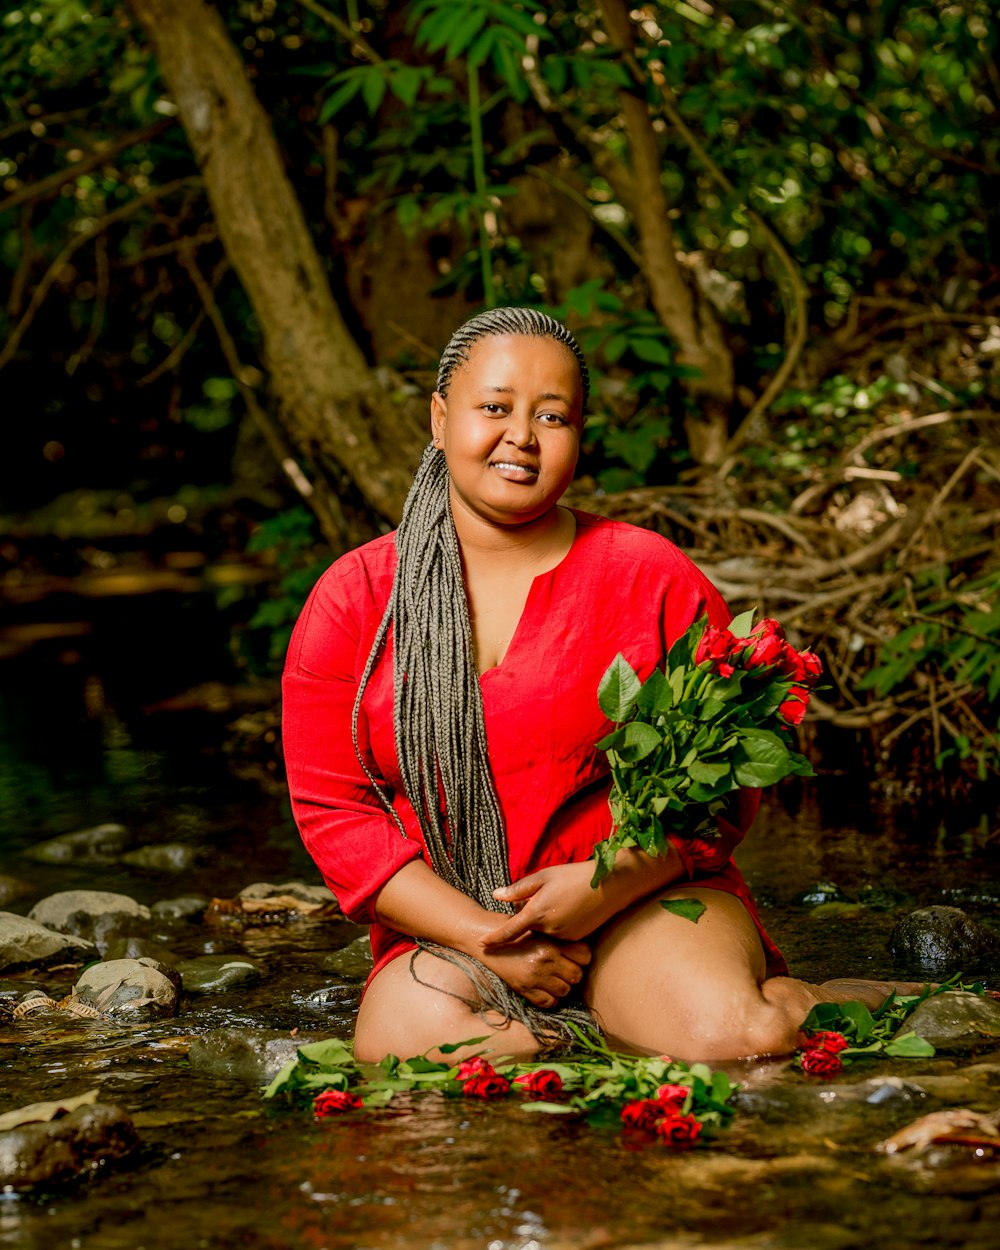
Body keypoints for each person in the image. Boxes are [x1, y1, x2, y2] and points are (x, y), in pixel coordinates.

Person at [282, 306, 922, 1064]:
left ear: (578, 437)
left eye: (552, 416)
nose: (521, 435)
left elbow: (730, 778)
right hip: (457, 918)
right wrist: (485, 937)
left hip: (636, 900)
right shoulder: (358, 597)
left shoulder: (646, 575)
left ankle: (828, 998)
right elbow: (334, 811)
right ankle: (595, 1035)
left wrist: (605, 881)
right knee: (404, 1055)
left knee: (733, 1040)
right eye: (495, 407)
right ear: (440, 416)